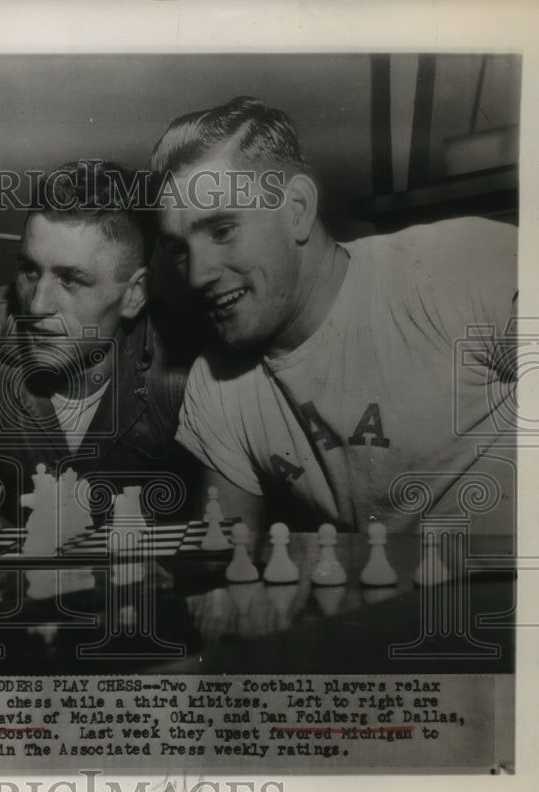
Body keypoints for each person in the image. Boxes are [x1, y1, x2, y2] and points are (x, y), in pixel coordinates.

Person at [151, 96, 518, 534]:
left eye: (223, 230)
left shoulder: (464, 266)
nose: (197, 276)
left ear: (297, 209)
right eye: (178, 250)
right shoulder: (214, 383)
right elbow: (227, 561)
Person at [0, 160, 195, 523]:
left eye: (70, 279)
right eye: (30, 270)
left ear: (134, 293)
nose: (36, 305)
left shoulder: (188, 368)